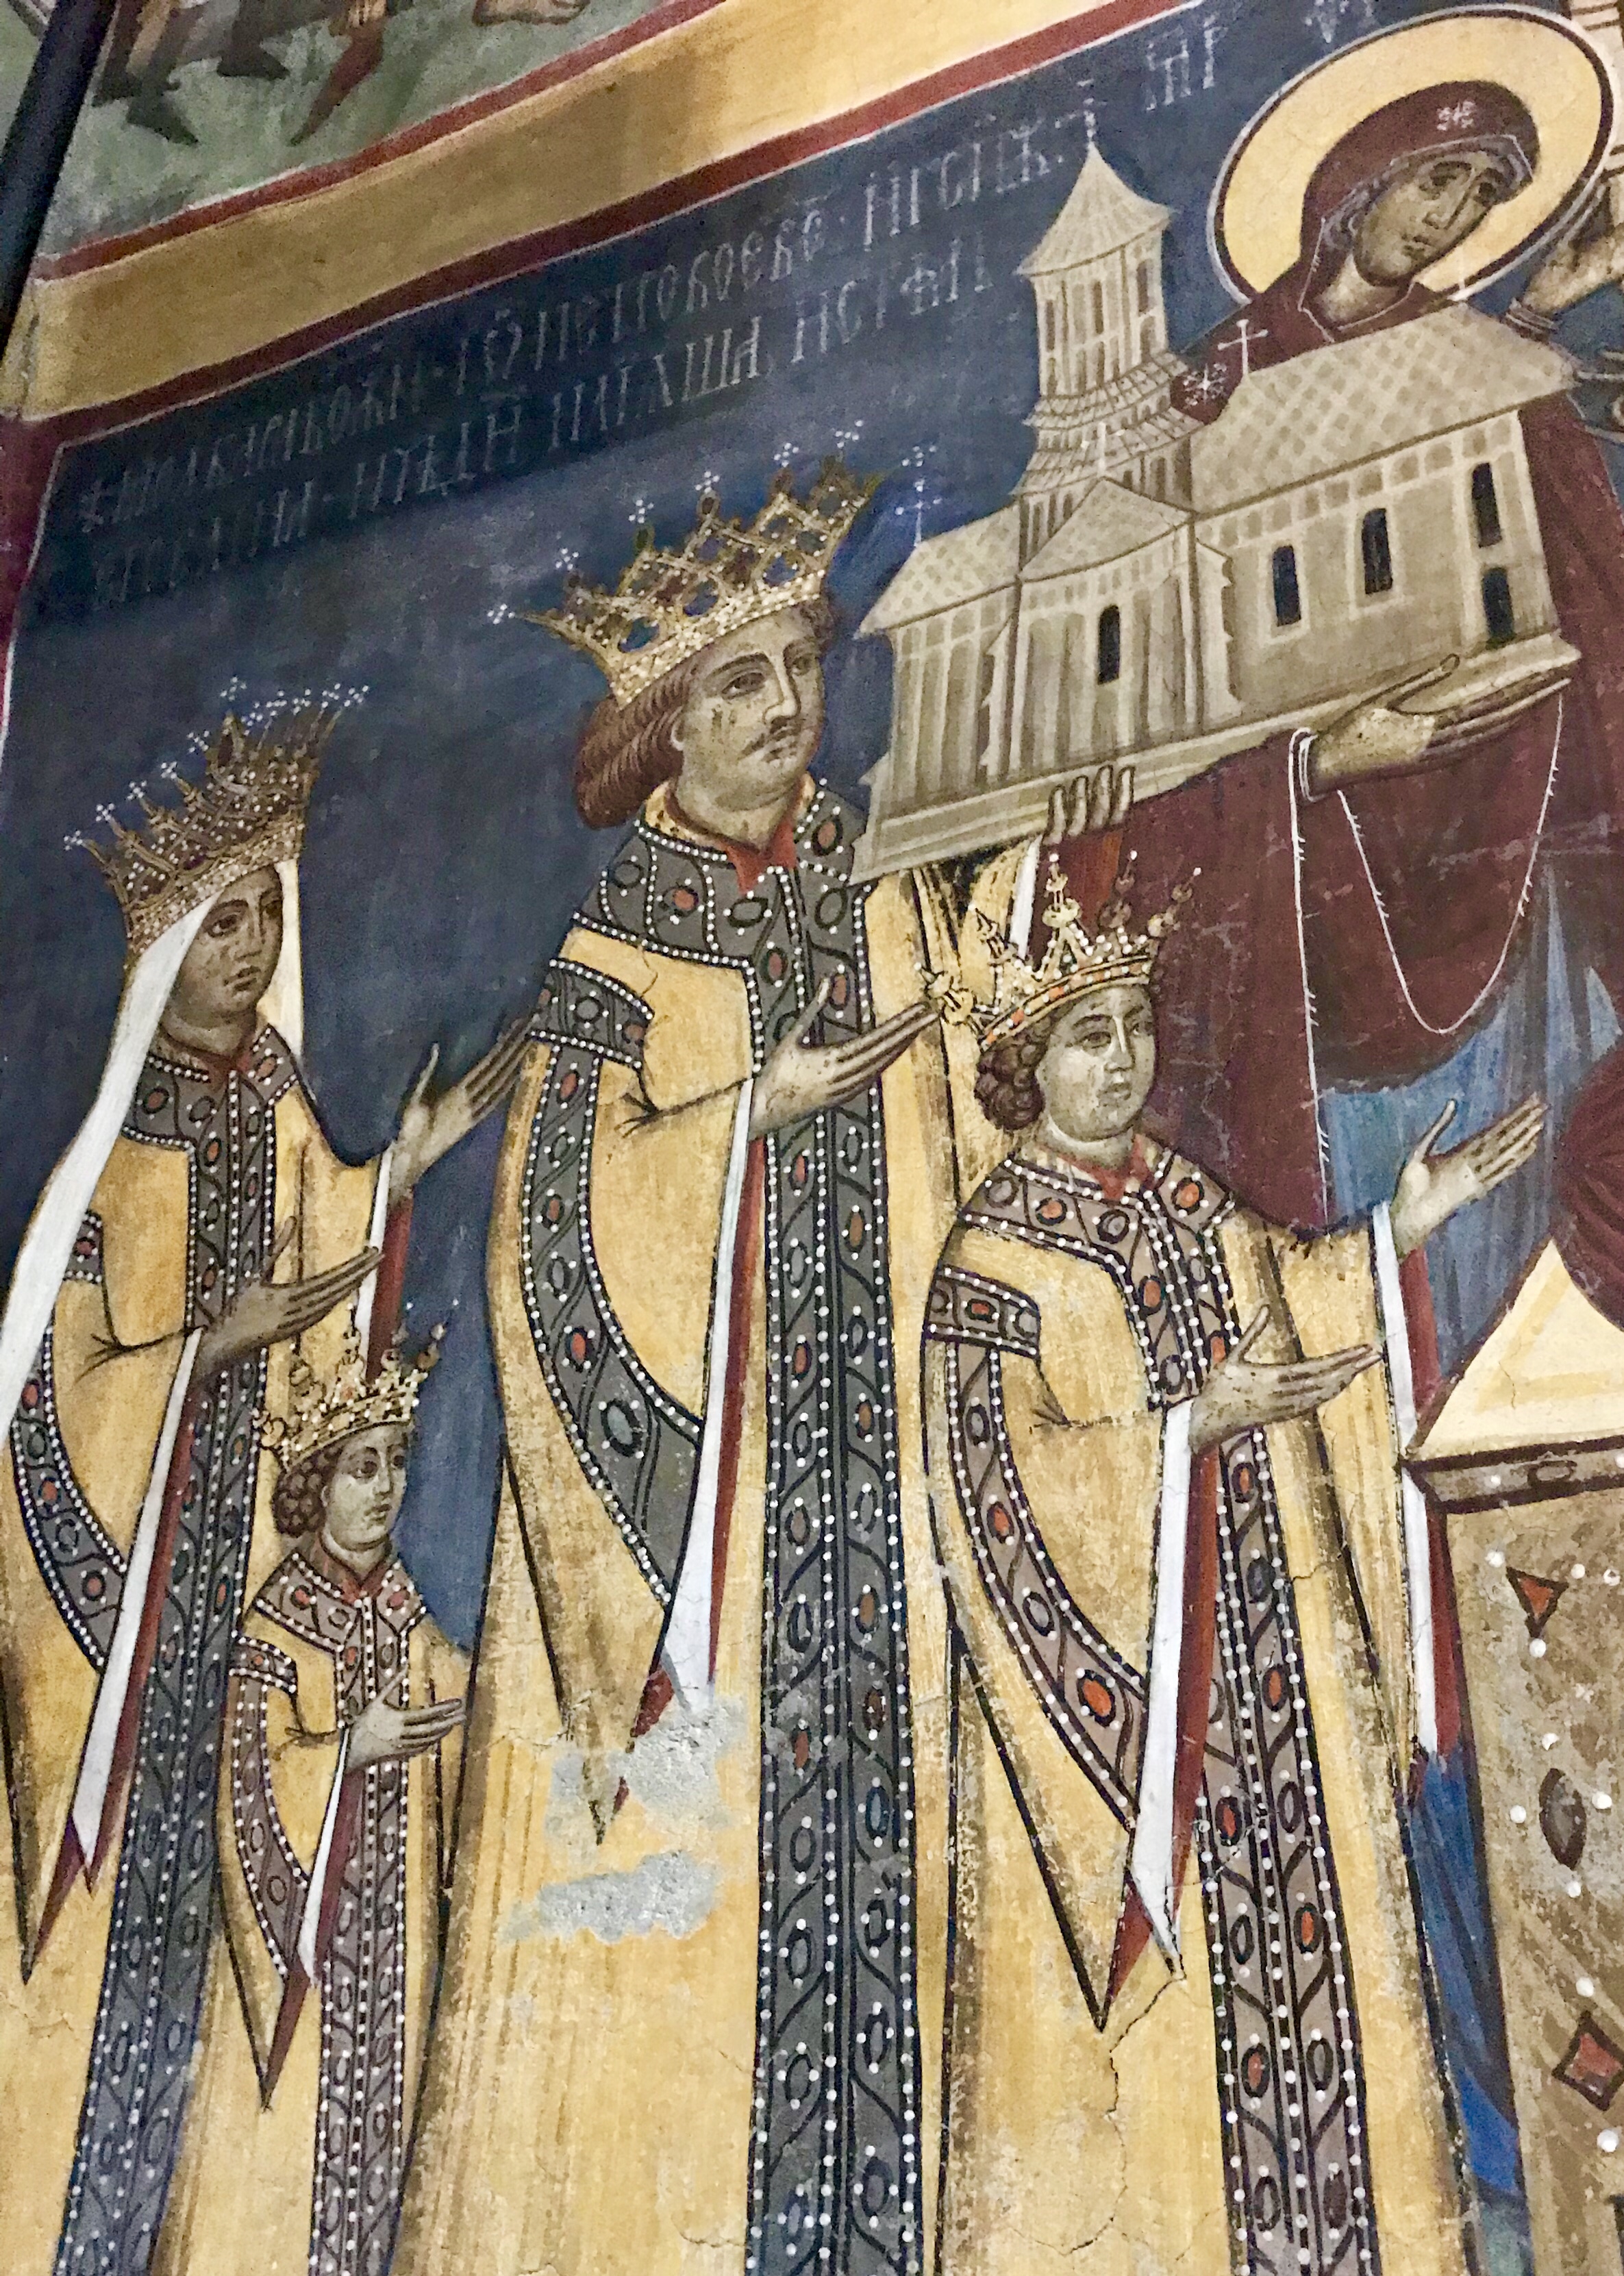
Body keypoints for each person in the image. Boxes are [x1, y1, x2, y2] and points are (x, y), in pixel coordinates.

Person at [393, 462, 1120, 2275]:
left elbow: (997, 1092)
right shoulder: (611, 955)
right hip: (710, 1556)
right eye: (737, 682)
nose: (784, 704)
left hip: (898, 1507)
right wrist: (742, 1126)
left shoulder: (891, 886)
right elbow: (550, 1251)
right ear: (664, 730)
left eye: (795, 664)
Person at [922, 859, 1542, 2274]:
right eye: (1086, 1036)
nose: (1121, 1059)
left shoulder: (1185, 1199)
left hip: (1283, 1704)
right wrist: (1184, 1432)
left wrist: (1395, 1233)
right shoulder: (986, 1269)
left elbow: (1291, 1294)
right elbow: (999, 1503)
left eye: (1133, 1026)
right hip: (1147, 1746)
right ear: (1022, 1066)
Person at [0, 705, 525, 2276]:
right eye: (221, 923)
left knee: (246, 2017)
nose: (251, 949)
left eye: (267, 916)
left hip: (248, 1621)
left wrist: (398, 1173)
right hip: (136, 1648)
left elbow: (328, 1254)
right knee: (109, 1987)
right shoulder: (113, 1168)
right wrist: (199, 1354)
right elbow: (47, 1420)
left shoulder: (271, 1094)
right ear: (164, 950)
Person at [1061, 76, 1624, 1376]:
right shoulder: (1213, 387)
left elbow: (1560, 543)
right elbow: (1142, 692)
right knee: (1375, 1227)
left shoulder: (1472, 345)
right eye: (1436, 180)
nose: (1449, 217)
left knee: (1507, 1189)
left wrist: (1540, 312)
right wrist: (1315, 763)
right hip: (1308, 877)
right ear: (1361, 179)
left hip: (1499, 815)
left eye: (1480, 197)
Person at [176, 1329, 464, 2276]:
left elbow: (466, 1715)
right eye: (360, 1468)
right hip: (308, 1970)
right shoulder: (274, 1624)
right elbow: (248, 1792)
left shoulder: (408, 1613)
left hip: (398, 1959)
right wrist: (348, 1751)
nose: (384, 1488)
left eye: (395, 1464)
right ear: (317, 1486)